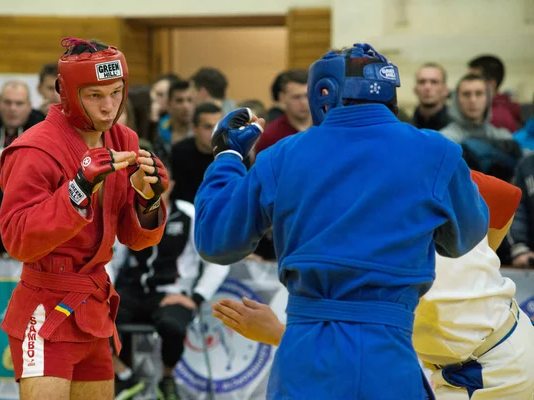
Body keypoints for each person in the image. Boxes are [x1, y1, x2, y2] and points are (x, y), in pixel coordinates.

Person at [193, 43, 490, 399]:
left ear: (323, 91)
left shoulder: (283, 156)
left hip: (305, 356)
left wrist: (227, 156)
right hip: (390, 357)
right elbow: (466, 237)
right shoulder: (437, 151)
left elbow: (214, 239)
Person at [213, 170, 534, 399]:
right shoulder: (410, 170)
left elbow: (354, 364)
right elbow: (506, 196)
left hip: (486, 376)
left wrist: (273, 333)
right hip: (516, 336)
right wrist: (479, 269)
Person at [0, 37, 168, 400]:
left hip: (94, 310)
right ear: (68, 93)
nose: (109, 107)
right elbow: (16, 239)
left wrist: (148, 202)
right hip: (45, 307)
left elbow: (134, 239)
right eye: (94, 95)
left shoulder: (124, 139)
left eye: (116, 92)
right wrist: (77, 189)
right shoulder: (35, 147)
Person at [111, 163, 230, 400]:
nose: (152, 188)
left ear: (171, 185)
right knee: (93, 317)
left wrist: (196, 297)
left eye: (158, 182)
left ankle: (166, 378)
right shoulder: (125, 214)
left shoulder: (190, 215)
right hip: (133, 291)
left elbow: (219, 260)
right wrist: (105, 291)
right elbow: (111, 258)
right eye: (144, 182)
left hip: (171, 293)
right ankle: (125, 376)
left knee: (173, 326)